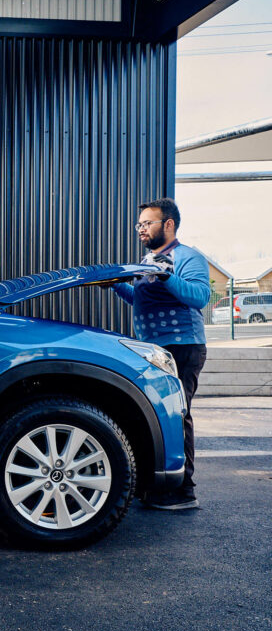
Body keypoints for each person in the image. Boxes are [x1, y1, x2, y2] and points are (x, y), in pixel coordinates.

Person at [112, 198, 210, 511]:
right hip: (154, 350)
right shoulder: (148, 259)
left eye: (147, 223)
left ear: (168, 224)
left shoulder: (188, 257)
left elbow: (200, 296)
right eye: (139, 224)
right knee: (157, 415)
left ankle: (183, 492)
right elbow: (143, 300)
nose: (141, 229)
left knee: (177, 416)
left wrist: (167, 275)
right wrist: (116, 285)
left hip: (182, 347)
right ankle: (156, 487)